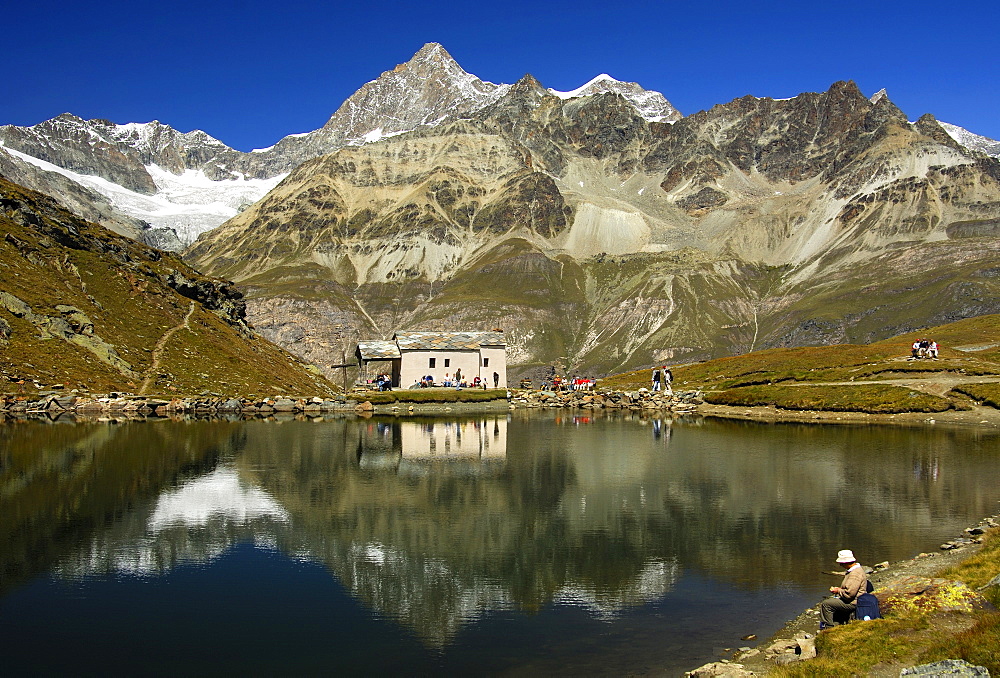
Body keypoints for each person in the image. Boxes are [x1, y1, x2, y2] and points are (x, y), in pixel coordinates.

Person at [819, 549, 868, 630]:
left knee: (826, 604)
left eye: (841, 563)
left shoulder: (855, 574)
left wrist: (838, 591)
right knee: (833, 602)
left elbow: (849, 594)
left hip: (853, 602)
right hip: (855, 600)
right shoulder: (854, 571)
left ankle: (828, 628)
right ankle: (838, 624)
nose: (840, 565)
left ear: (846, 562)